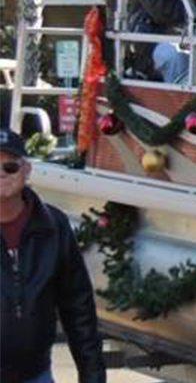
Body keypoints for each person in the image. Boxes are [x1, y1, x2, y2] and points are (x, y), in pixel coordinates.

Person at [0, 128, 106, 383]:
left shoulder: (53, 226)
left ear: (26, 170)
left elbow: (78, 307)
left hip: (36, 374)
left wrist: (92, 376)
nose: (1, 173)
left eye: (10, 166)